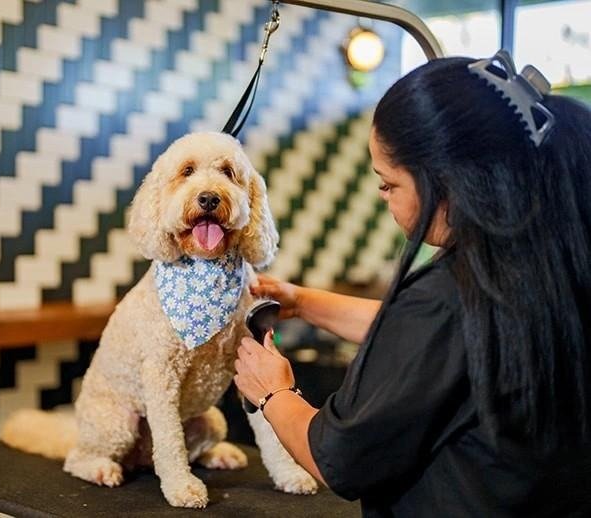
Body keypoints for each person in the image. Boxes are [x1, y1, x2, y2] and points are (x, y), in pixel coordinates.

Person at [233, 50, 591, 517]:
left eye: (388, 185)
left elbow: (337, 459)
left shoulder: (451, 294)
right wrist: (304, 301)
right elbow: (436, 344)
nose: (385, 200)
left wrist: (274, 392)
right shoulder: (545, 261)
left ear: (444, 181)